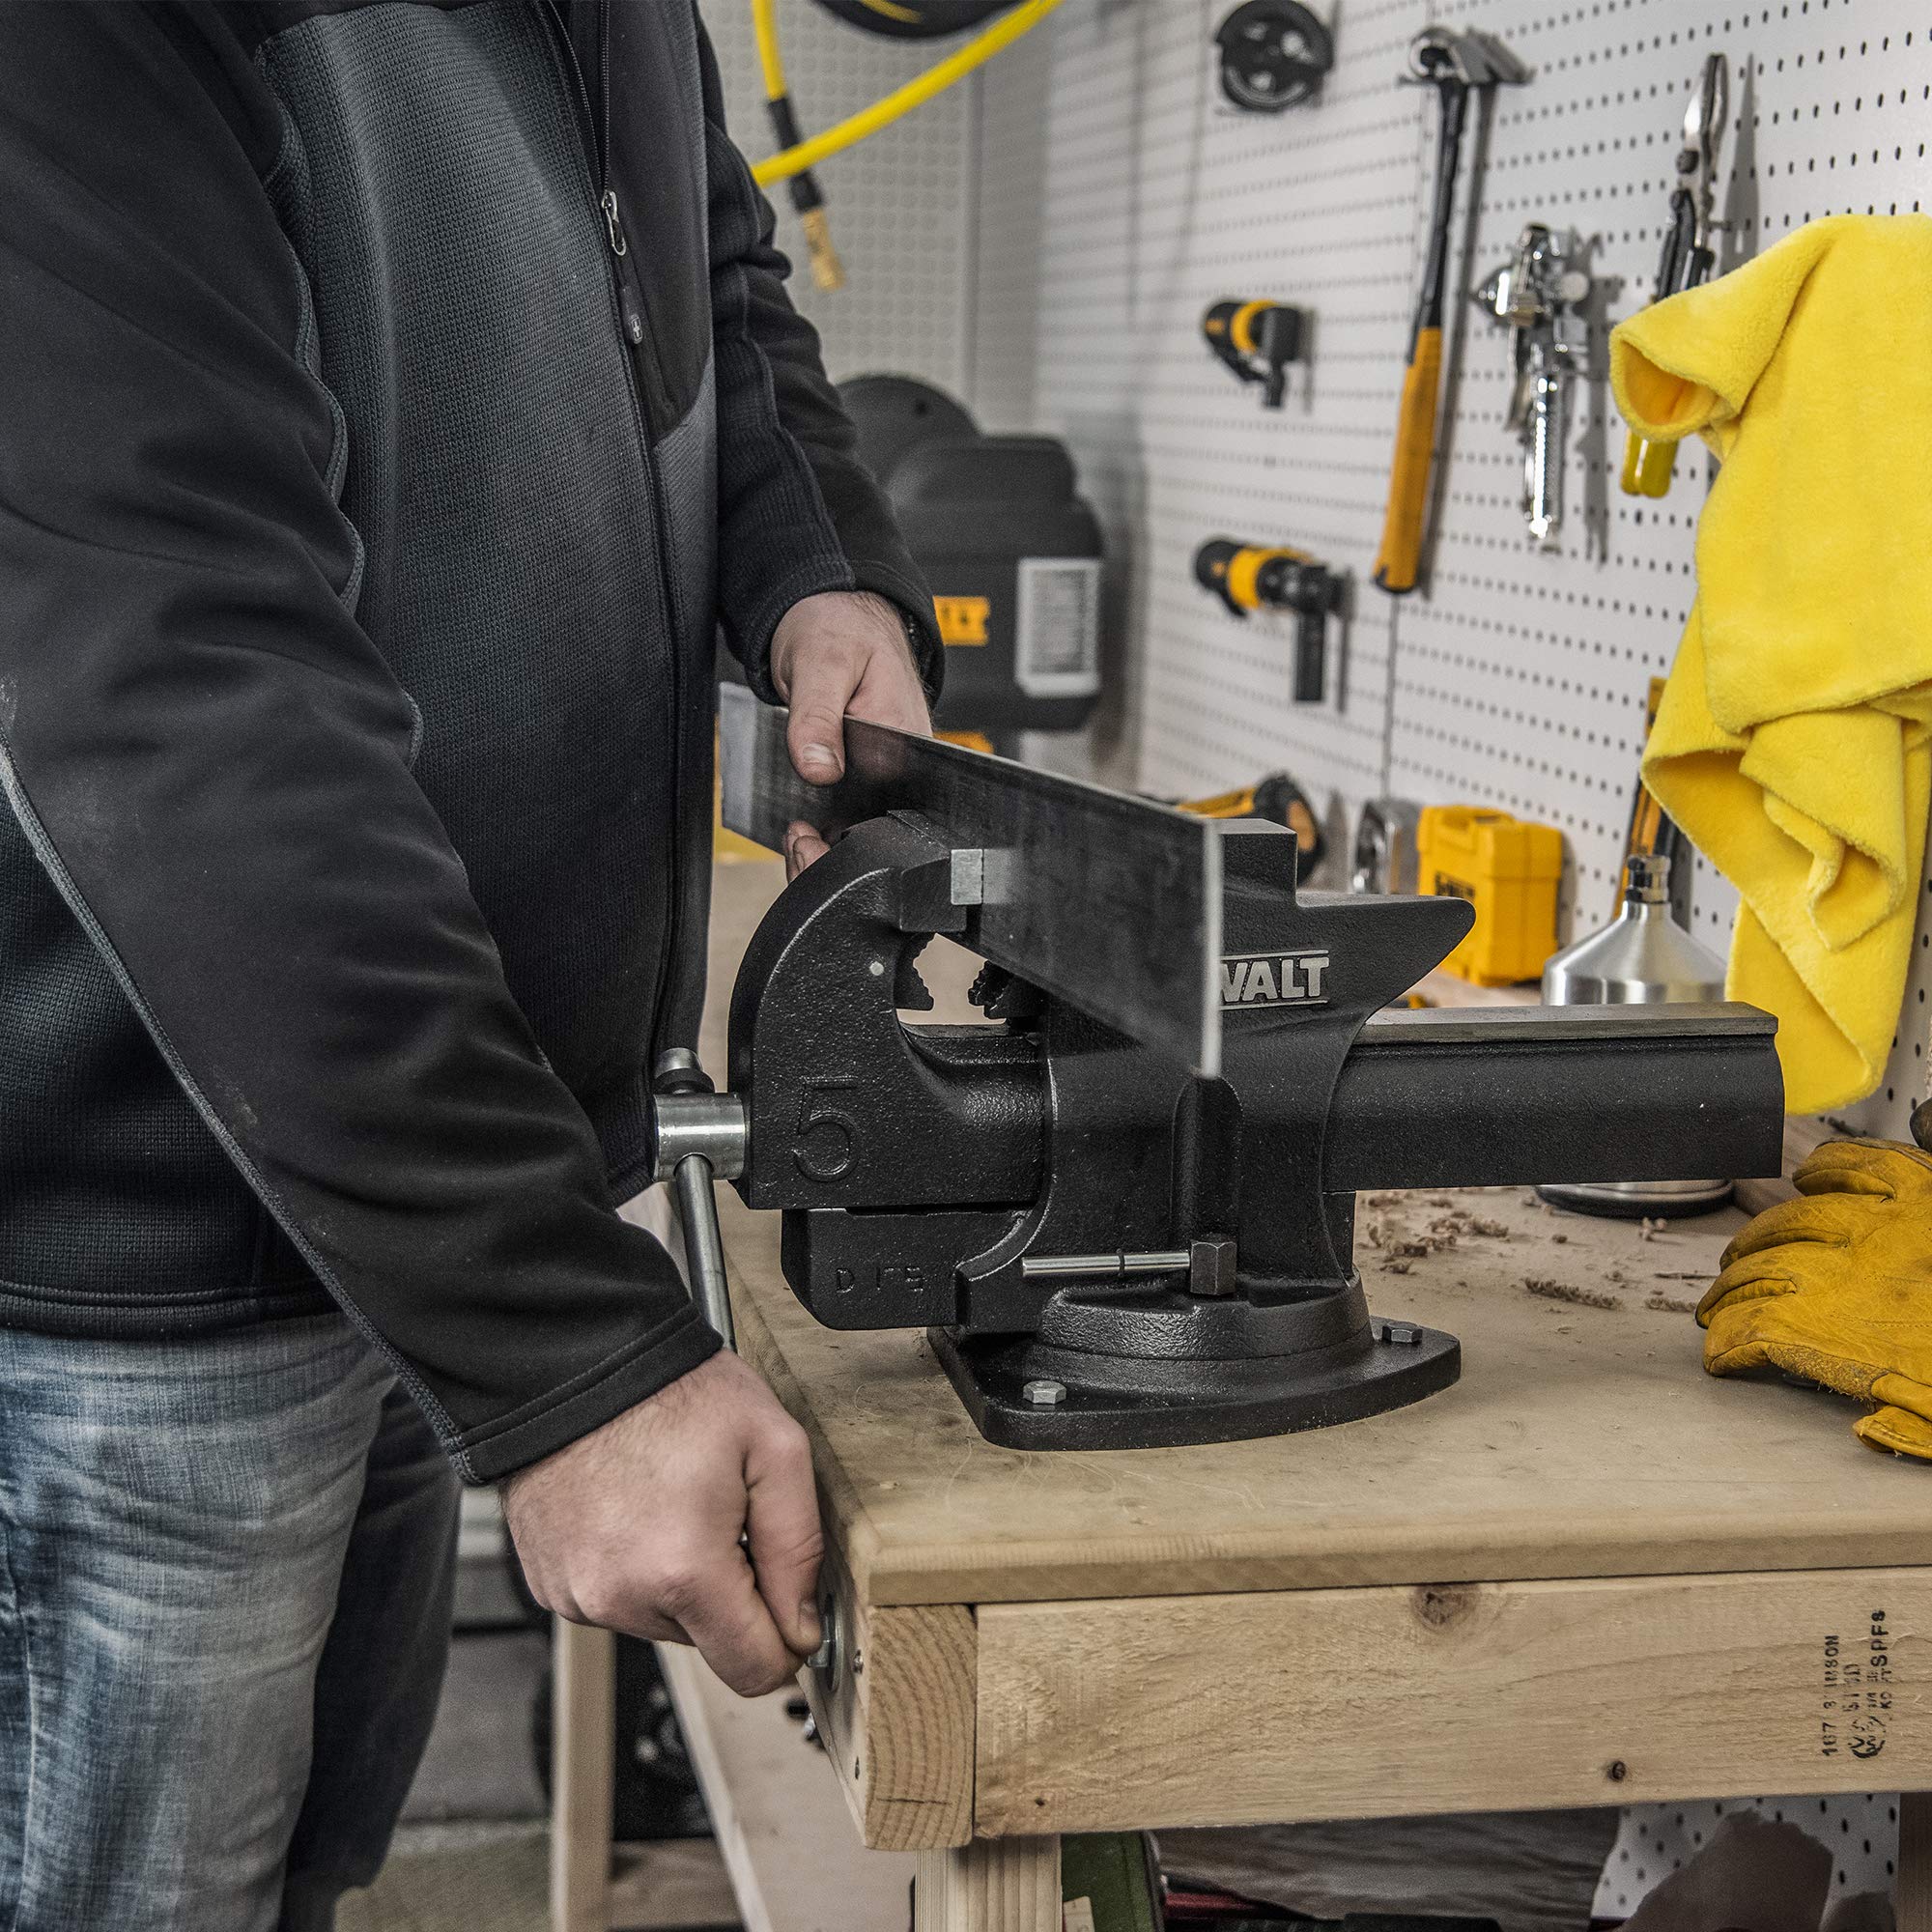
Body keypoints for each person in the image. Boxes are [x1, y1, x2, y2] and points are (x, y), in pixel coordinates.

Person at [0, 2, 937, 1925]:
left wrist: (818, 565)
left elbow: (709, 279)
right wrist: (564, 1355)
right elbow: (189, 700)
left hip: (409, 1183)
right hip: (147, 1287)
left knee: (300, 1879)